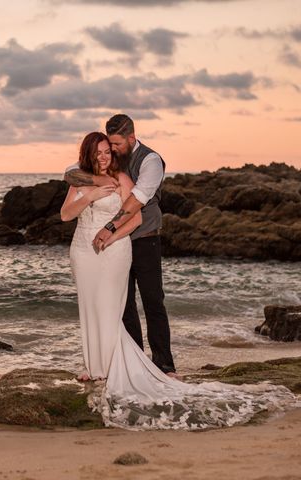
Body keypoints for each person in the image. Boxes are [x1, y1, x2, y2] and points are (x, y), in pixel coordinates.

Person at [60, 130, 295, 431]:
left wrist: (111, 236)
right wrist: (90, 196)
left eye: (108, 151)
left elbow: (135, 218)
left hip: (113, 249)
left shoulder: (121, 178)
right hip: (82, 249)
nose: (104, 157)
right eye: (99, 153)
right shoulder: (80, 178)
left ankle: (111, 366)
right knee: (89, 304)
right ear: (88, 154)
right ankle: (93, 366)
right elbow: (66, 215)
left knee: (110, 306)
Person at [64, 114, 176, 376]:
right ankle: (128, 359)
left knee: (152, 300)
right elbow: (69, 173)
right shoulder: (105, 164)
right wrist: (96, 181)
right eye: (106, 147)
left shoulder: (150, 161)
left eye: (115, 145)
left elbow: (137, 201)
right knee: (121, 306)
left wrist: (110, 230)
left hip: (143, 237)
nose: (111, 151)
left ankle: (165, 364)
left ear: (131, 138)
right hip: (111, 245)